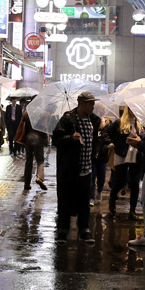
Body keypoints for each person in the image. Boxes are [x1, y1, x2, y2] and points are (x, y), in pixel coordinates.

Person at [51, 92, 102, 243]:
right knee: (65, 200)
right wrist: (70, 138)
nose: (93, 106)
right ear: (83, 104)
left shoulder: (93, 120)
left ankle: (84, 230)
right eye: (91, 103)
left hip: (86, 169)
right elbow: (56, 140)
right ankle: (62, 231)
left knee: (84, 201)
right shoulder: (67, 119)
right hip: (69, 169)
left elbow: (96, 141)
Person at [107, 106, 143, 219]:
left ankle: (132, 211)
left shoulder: (140, 124)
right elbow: (107, 133)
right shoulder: (119, 122)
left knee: (135, 183)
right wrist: (113, 144)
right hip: (121, 155)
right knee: (120, 181)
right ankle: (112, 204)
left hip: (135, 156)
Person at [21, 105, 46, 191]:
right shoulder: (42, 113)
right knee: (40, 160)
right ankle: (39, 177)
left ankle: (26, 183)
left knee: (28, 160)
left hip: (28, 138)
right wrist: (45, 140)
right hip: (38, 138)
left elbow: (22, 126)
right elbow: (43, 128)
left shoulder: (27, 113)